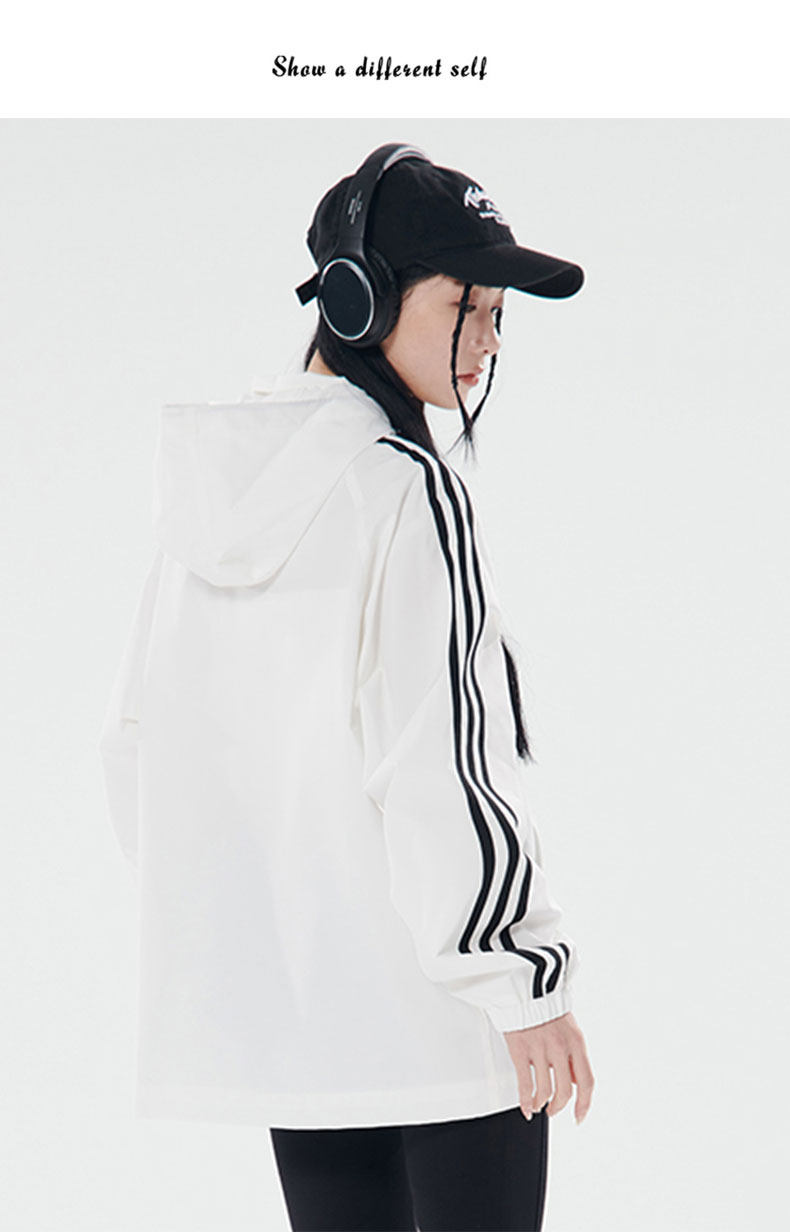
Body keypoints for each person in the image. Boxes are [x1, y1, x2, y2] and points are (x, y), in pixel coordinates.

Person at [98, 143, 594, 1232]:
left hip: (308, 1042)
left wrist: (272, 931)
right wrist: (520, 978)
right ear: (357, 300)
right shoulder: (405, 491)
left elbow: (141, 754)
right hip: (447, 1036)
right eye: (467, 305)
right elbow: (440, 763)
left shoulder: (205, 500)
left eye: (499, 314)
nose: (490, 341)